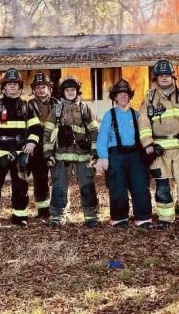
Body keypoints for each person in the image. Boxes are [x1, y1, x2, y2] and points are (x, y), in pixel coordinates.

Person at [138, 60, 179, 231]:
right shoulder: (149, 98)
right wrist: (148, 144)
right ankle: (165, 219)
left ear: (172, 77)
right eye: (161, 76)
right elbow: (143, 122)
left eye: (167, 75)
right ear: (155, 78)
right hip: (160, 150)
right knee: (163, 186)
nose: (164, 78)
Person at [0, 68, 42, 230]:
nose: (12, 87)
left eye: (15, 84)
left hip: (20, 154)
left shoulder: (27, 107)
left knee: (21, 186)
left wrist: (32, 143)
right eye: (9, 84)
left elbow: (35, 129)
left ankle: (19, 216)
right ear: (4, 87)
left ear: (20, 87)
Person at [43, 75, 100, 228]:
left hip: (83, 156)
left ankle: (91, 217)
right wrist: (48, 154)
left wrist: (95, 153)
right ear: (63, 92)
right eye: (67, 90)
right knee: (59, 187)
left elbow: (94, 131)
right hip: (61, 157)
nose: (70, 92)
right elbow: (48, 134)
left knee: (87, 187)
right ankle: (57, 216)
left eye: (73, 89)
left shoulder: (85, 108)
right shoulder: (56, 110)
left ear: (77, 91)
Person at [94, 80, 153, 229]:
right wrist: (103, 157)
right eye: (120, 94)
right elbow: (102, 137)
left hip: (136, 155)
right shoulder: (109, 115)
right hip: (116, 156)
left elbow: (145, 134)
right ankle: (120, 219)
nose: (123, 97)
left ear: (130, 96)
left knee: (140, 186)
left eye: (126, 94)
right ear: (115, 97)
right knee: (118, 188)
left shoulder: (137, 114)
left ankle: (143, 218)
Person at [27, 71, 59, 220]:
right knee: (40, 179)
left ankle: (59, 207)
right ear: (34, 89)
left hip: (55, 147)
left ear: (49, 88)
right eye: (38, 87)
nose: (41, 90)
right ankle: (43, 210)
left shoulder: (57, 104)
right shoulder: (28, 106)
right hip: (37, 148)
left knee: (59, 178)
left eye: (44, 87)